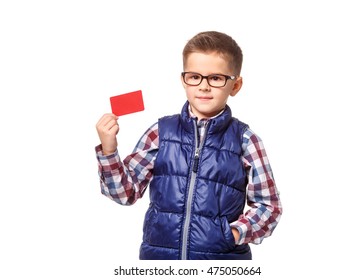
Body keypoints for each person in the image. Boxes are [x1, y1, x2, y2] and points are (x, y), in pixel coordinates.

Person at [95, 31, 282, 260]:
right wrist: (109, 151)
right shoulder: (161, 132)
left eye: (216, 78)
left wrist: (232, 233)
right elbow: (125, 193)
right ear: (183, 80)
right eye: (195, 77)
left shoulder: (245, 140)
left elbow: (269, 207)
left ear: (235, 85)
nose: (203, 86)